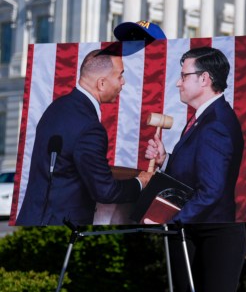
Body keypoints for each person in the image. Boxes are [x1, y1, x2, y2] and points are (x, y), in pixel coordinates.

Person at [144, 45, 246, 292]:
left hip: (215, 235)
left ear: (204, 79)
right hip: (194, 234)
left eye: (183, 75)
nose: (178, 82)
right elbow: (198, 174)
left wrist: (165, 217)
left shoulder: (216, 122)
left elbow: (212, 190)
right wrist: (167, 161)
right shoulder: (204, 118)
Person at [17, 47, 151, 225]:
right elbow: (105, 191)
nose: (123, 82)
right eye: (120, 76)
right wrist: (140, 182)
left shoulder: (56, 107)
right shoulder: (89, 127)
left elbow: (66, 167)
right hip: (61, 225)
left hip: (32, 218)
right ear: (101, 83)